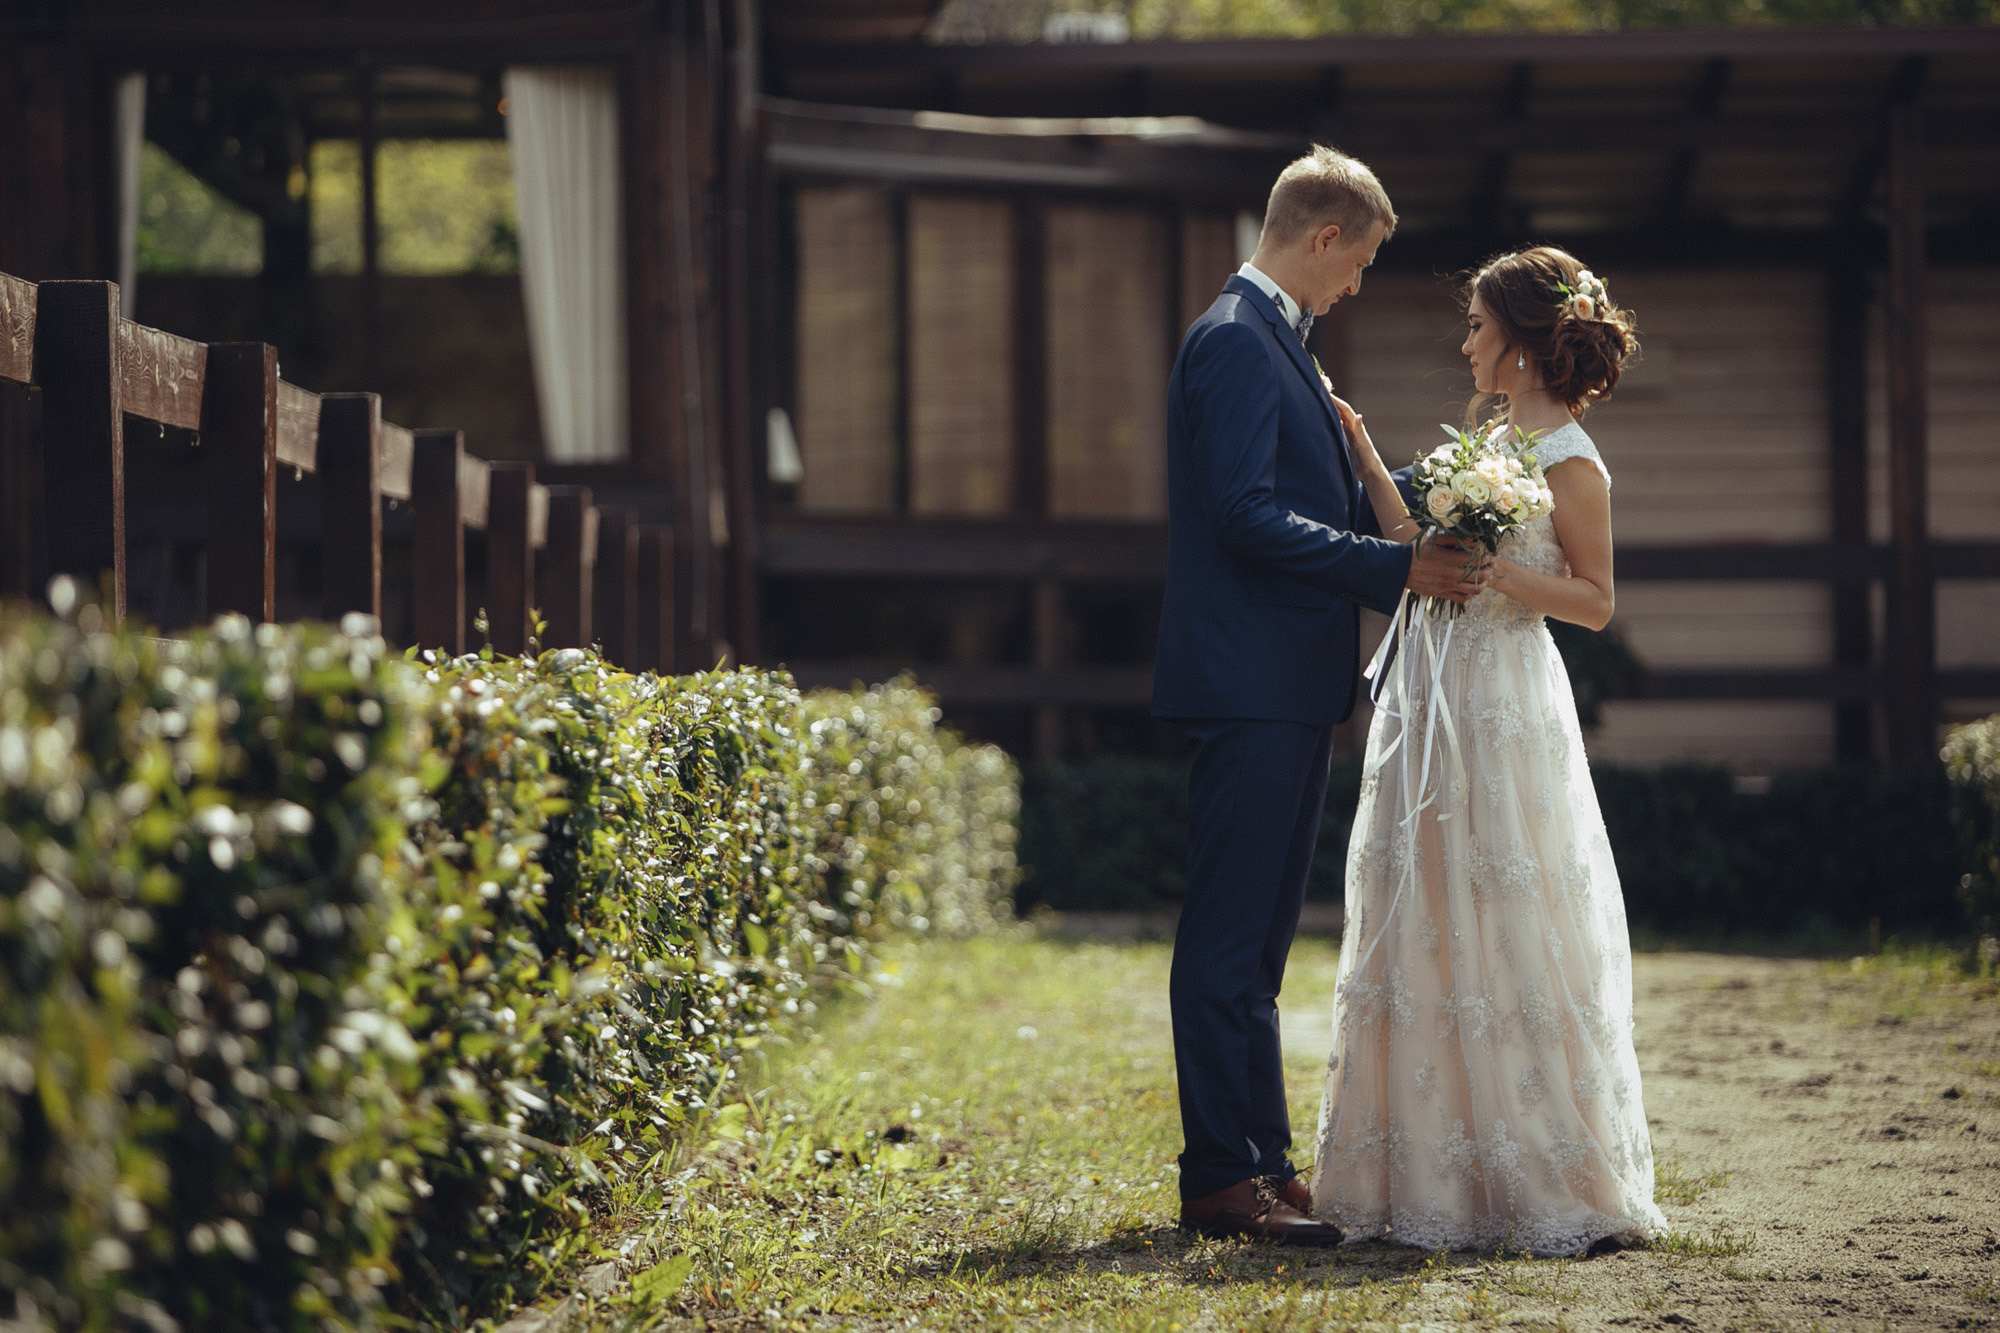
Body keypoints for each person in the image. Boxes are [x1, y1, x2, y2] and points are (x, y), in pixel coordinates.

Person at [1153, 146, 1487, 1245]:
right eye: (1359, 266)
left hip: (1283, 682)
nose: (1356, 290)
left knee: (1256, 947)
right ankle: (1219, 1176)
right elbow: (1244, 515)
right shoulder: (1238, 344)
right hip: (1249, 679)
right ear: (1323, 237)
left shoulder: (1271, 345)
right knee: (1225, 940)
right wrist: (1392, 570)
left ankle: (1262, 1162)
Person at [1309, 245, 1668, 1256]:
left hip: (1505, 700)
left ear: (1516, 344)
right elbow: (1413, 545)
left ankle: (1552, 1175)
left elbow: (1594, 603)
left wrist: (1497, 575)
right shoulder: (1487, 440)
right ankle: (1423, 1172)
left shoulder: (1569, 461)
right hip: (1433, 700)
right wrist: (1371, 457)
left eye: (1474, 325)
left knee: (1510, 911)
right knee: (1422, 906)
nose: (1462, 341)